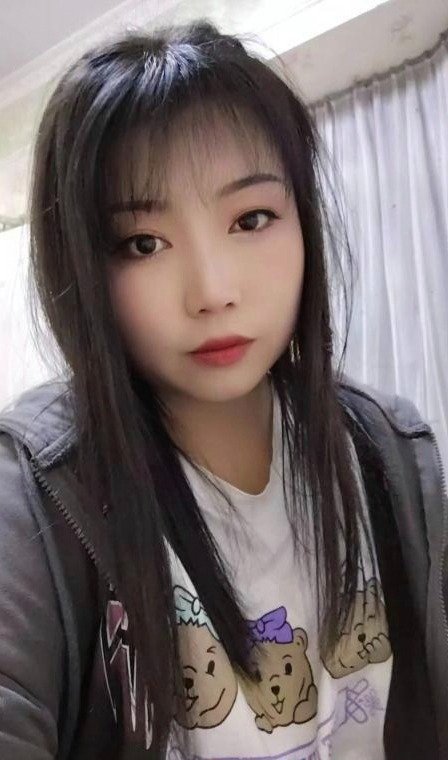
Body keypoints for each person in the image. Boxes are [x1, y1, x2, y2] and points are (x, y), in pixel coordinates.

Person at [0, 20, 446, 760]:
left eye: (251, 218)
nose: (212, 291)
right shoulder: (36, 494)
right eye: (143, 244)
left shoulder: (390, 452)